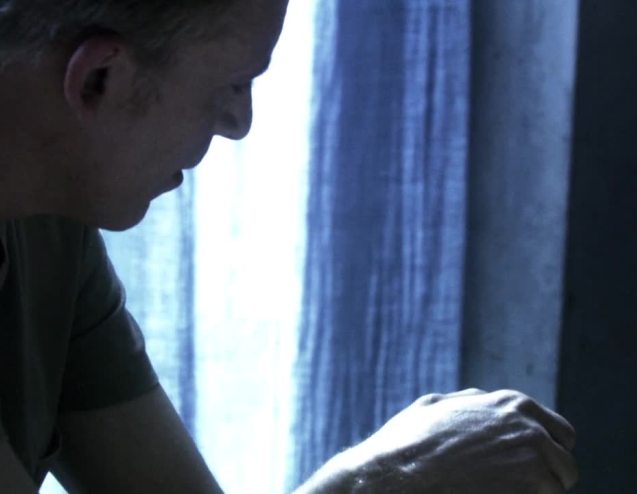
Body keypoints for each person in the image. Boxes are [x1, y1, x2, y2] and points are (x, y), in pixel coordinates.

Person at [0, 0, 579, 492]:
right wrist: (388, 476)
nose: (239, 123)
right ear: (99, 79)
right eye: (232, 85)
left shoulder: (53, 226)